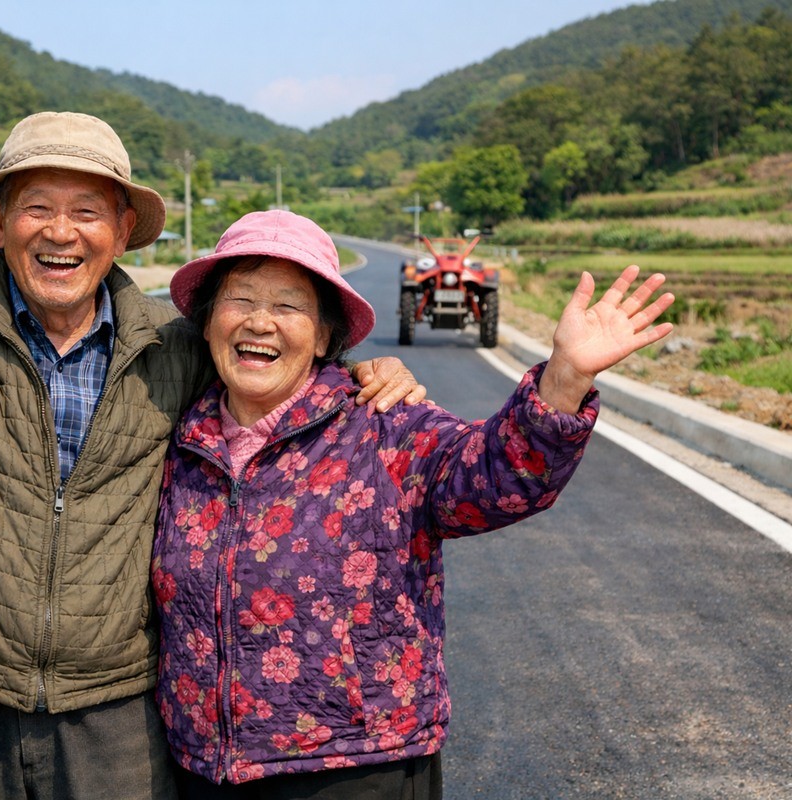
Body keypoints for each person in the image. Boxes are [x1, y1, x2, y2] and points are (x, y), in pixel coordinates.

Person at [0, 75, 424, 800]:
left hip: (114, 709)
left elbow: (268, 359)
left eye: (86, 211)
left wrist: (361, 372)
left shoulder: (172, 349)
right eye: (37, 207)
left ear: (119, 230)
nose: (60, 232)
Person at [150, 210, 674, 798]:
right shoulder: (181, 439)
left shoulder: (384, 426)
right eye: (240, 299)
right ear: (208, 320)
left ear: (324, 335)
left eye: (288, 305)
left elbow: (494, 475)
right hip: (205, 769)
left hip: (356, 768)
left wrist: (564, 379)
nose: (260, 322)